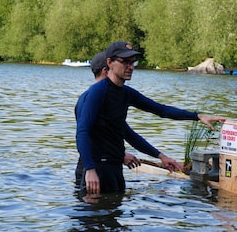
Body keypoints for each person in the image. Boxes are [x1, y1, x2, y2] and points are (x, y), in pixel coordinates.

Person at [76, 41, 226, 196]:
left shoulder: (126, 94)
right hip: (97, 171)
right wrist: (90, 169)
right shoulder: (96, 93)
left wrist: (197, 116)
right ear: (109, 63)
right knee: (93, 216)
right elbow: (82, 132)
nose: (131, 67)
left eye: (133, 62)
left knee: (115, 216)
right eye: (125, 62)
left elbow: (161, 110)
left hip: (115, 169)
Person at [73, 51, 179, 187]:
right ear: (107, 69)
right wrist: (94, 167)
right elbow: (86, 136)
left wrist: (159, 155)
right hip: (92, 167)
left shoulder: (105, 97)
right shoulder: (92, 98)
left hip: (97, 165)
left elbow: (125, 134)